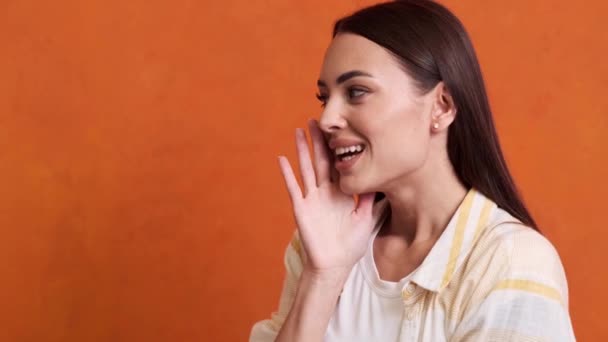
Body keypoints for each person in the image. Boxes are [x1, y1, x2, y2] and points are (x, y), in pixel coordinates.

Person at [250, 0, 576, 341]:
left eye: (356, 92)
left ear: (442, 105)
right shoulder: (322, 244)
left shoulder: (511, 262)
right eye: (324, 98)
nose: (328, 118)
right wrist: (323, 276)